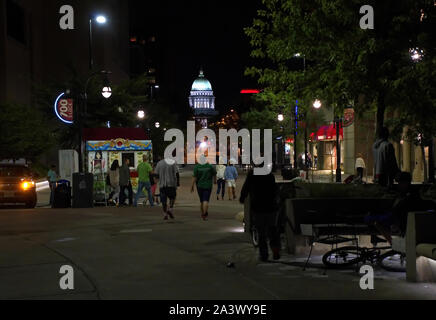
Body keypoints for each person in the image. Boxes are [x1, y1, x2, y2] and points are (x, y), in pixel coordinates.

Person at [240, 165, 281, 262]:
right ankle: (275, 250)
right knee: (272, 230)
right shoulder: (269, 175)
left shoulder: (252, 174)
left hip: (258, 207)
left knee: (261, 232)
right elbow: (275, 189)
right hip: (271, 207)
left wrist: (242, 197)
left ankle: (264, 255)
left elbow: (246, 187)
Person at [191, 155, 217, 220]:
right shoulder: (210, 166)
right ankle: (205, 214)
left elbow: (194, 177)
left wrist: (192, 186)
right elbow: (214, 174)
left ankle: (202, 213)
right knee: (206, 200)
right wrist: (215, 181)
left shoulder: (197, 167)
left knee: (202, 201)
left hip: (199, 186)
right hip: (208, 186)